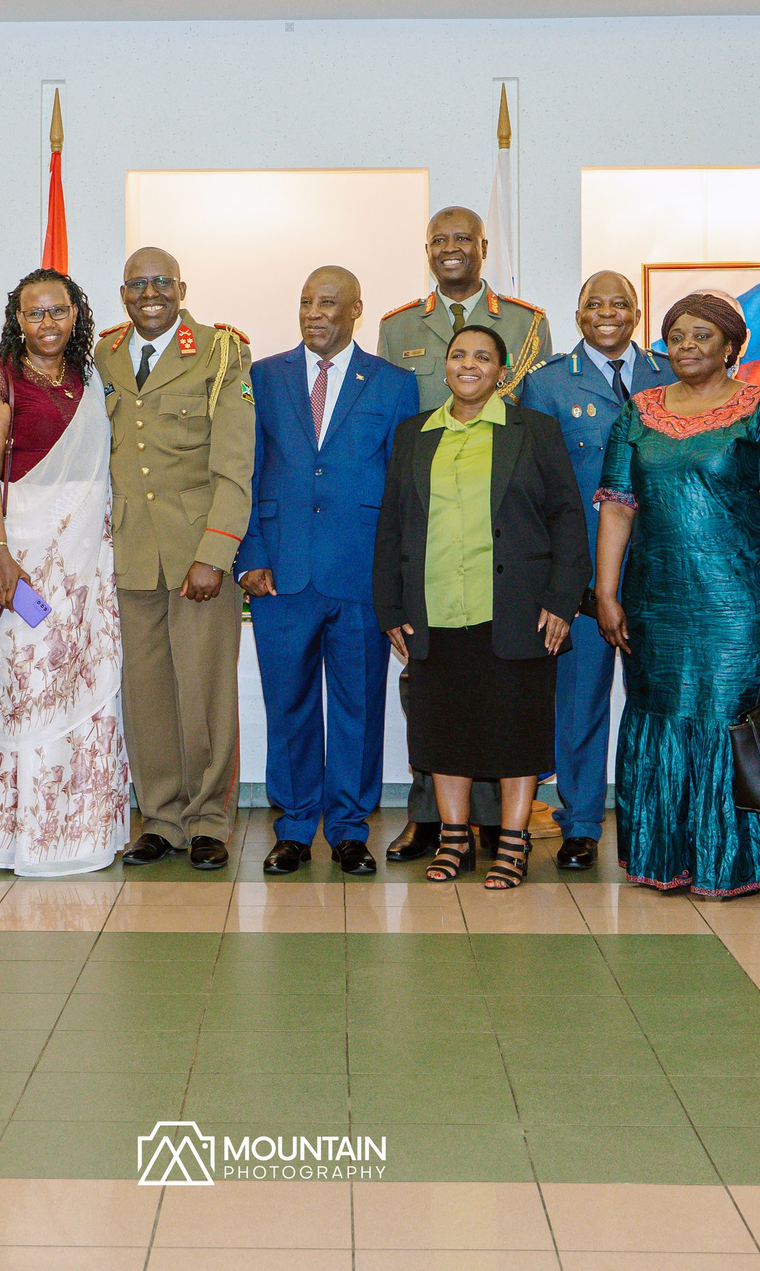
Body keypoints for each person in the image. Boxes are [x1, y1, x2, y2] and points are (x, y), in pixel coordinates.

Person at [594, 292, 760, 896]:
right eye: (677, 335)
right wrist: (605, 592)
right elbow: (618, 508)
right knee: (663, 720)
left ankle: (744, 862)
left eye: (702, 335)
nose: (688, 346)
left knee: (731, 722)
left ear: (730, 347)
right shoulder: (637, 412)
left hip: (740, 603)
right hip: (654, 603)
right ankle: (668, 858)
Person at [373, 325, 589, 889]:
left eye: (483, 357)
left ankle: (513, 843)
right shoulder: (414, 434)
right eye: (458, 355)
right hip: (435, 610)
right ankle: (452, 839)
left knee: (517, 727)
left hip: (519, 608)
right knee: (444, 728)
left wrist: (563, 600)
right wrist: (388, 607)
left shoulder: (534, 431)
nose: (468, 365)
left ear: (502, 370)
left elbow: (569, 517)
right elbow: (391, 526)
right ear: (445, 366)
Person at [377, 207, 552, 859]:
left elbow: (530, 442)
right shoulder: (399, 327)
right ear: (427, 248)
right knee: (433, 696)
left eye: (463, 239)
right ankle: (432, 819)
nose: (451, 249)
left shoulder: (527, 323)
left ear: (483, 247)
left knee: (503, 692)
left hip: (499, 533)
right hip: (430, 528)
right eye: (439, 240)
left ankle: (496, 826)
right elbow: (399, 424)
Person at [237, 266, 421, 875]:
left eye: (329, 303)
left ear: (356, 311)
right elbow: (248, 472)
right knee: (286, 702)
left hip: (360, 576)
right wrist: (252, 555)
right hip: (280, 573)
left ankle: (348, 828)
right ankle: (292, 827)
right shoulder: (263, 377)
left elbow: (401, 492)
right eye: (306, 302)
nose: (315, 313)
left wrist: (395, 580)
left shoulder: (394, 385)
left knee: (358, 706)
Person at [93, 247, 255, 871]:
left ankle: (209, 819)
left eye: (161, 282)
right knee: (147, 692)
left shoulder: (220, 352)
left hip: (197, 553)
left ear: (182, 289)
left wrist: (216, 551)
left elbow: (235, 463)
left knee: (206, 690)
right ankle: (159, 816)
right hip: (129, 550)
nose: (149, 293)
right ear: (124, 292)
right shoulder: (103, 354)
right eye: (137, 284)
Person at [0, 269, 132, 876]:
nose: (46, 324)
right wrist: (0, 555)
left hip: (89, 565)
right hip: (27, 561)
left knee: (90, 686)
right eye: (33, 313)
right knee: (31, 680)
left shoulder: (89, 376)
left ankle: (87, 831)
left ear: (75, 313)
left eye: (57, 311)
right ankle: (33, 837)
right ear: (17, 319)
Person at [519, 271, 675, 870]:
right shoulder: (549, 385)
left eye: (619, 303)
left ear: (637, 312)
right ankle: (580, 822)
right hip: (580, 577)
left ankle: (654, 818)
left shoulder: (672, 374)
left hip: (661, 575)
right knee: (579, 703)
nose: (606, 313)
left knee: (657, 705)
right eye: (593, 303)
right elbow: (537, 494)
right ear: (577, 312)